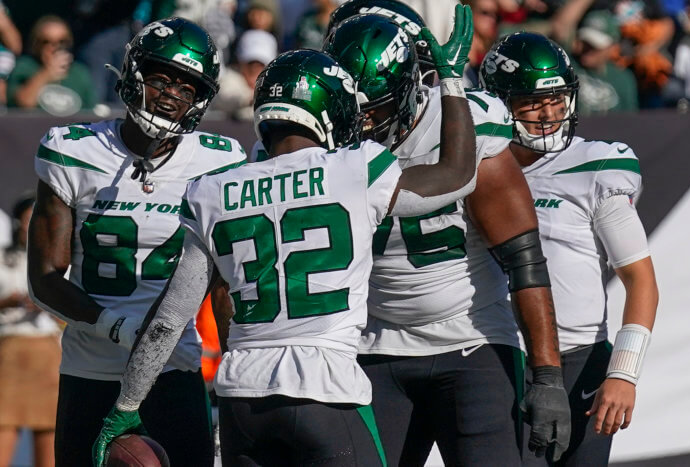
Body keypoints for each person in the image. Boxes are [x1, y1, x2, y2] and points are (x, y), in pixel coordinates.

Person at [92, 6, 480, 465]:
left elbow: (169, 318)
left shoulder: (212, 188)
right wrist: (453, 82)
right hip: (326, 390)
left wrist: (126, 407)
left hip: (243, 400)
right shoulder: (357, 168)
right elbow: (458, 175)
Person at [323, 10, 570, 467]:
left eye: (376, 108)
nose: (364, 122)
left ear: (412, 86)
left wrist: (548, 376)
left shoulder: (468, 124)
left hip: (470, 340)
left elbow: (524, 258)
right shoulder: (320, 133)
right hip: (372, 346)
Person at [27, 17, 247, 467]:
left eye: (187, 87)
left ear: (200, 100)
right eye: (162, 77)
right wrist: (121, 328)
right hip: (92, 368)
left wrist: (238, 375)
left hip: (175, 369)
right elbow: (45, 279)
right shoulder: (75, 151)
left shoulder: (220, 162)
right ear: (133, 73)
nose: (171, 93)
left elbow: (224, 288)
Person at [480, 31, 659, 466]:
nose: (549, 113)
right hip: (501, 359)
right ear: (501, 104)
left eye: (557, 98)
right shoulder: (477, 165)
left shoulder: (594, 165)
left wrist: (623, 372)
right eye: (532, 102)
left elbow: (641, 281)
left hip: (581, 357)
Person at [0, 193, 61, 467]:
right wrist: (11, 301)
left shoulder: (55, 263)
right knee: (4, 425)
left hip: (47, 353)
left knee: (49, 430)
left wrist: (49, 304)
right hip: (10, 351)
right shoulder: (4, 259)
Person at [7, 15, 95, 115]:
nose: (55, 47)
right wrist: (46, 74)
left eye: (62, 41)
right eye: (46, 42)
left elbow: (91, 114)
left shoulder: (80, 73)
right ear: (35, 44)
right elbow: (23, 104)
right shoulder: (24, 67)